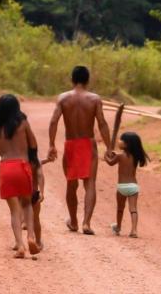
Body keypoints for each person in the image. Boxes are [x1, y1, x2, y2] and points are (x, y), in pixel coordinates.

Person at [46, 65, 111, 234]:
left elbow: (54, 121)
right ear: (87, 80)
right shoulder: (95, 99)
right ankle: (86, 223)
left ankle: (73, 221)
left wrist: (52, 144)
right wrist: (109, 146)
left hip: (71, 144)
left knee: (71, 184)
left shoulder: (63, 98)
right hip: (88, 144)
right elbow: (102, 123)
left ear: (72, 79)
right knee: (90, 184)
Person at [0, 93, 40, 259]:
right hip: (22, 166)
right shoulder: (23, 124)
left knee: (14, 210)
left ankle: (19, 245)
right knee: (27, 205)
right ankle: (31, 237)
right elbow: (33, 144)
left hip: (6, 168)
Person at [104, 131, 148, 238]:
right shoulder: (136, 157)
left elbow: (110, 162)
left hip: (122, 187)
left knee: (120, 208)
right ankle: (134, 230)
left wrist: (106, 155)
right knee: (133, 209)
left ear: (127, 144)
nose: (119, 141)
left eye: (121, 140)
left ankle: (118, 227)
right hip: (133, 186)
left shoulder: (119, 156)